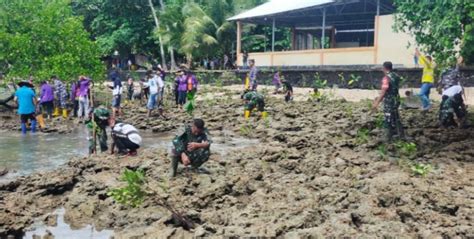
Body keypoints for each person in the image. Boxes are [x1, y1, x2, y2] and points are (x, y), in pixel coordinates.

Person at [372, 61, 405, 142]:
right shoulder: (396, 76)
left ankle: (387, 138)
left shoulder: (386, 78)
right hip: (396, 100)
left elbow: (383, 91)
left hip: (389, 101)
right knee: (396, 117)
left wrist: (376, 102)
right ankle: (401, 135)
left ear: (384, 68)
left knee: (388, 118)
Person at [438, 57, 467, 128]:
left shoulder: (444, 72)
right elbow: (460, 81)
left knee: (446, 107)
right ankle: (454, 121)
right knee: (452, 107)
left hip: (447, 93)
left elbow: (439, 85)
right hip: (452, 93)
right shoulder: (454, 71)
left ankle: (449, 122)